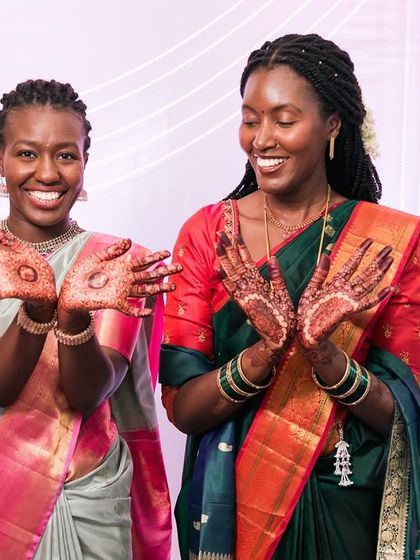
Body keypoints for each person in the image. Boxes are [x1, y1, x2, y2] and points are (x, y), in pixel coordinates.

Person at [159, 34, 420, 560]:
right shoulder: (210, 235)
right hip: (231, 508)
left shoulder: (386, 245)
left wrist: (326, 359)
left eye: (283, 119)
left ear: (333, 126)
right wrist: (261, 355)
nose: (261, 139)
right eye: (251, 119)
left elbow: (404, 414)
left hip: (347, 505)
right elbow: (183, 408)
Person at [0, 79, 180, 559]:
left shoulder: (117, 262)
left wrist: (74, 316)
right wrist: (36, 312)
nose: (47, 173)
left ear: (85, 162)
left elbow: (87, 394)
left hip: (85, 498)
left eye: (65, 155)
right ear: (1, 162)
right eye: (25, 153)